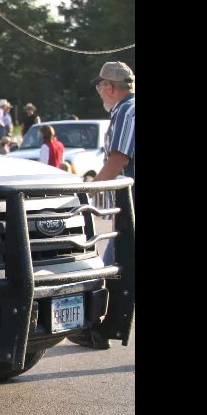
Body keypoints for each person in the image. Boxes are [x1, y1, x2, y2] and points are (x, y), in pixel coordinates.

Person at [70, 61, 135, 350]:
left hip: (131, 201)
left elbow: (118, 159)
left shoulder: (126, 111)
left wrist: (89, 193)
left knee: (111, 266)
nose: (99, 92)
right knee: (114, 263)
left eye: (100, 87)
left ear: (109, 87)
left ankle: (98, 329)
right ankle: (102, 329)